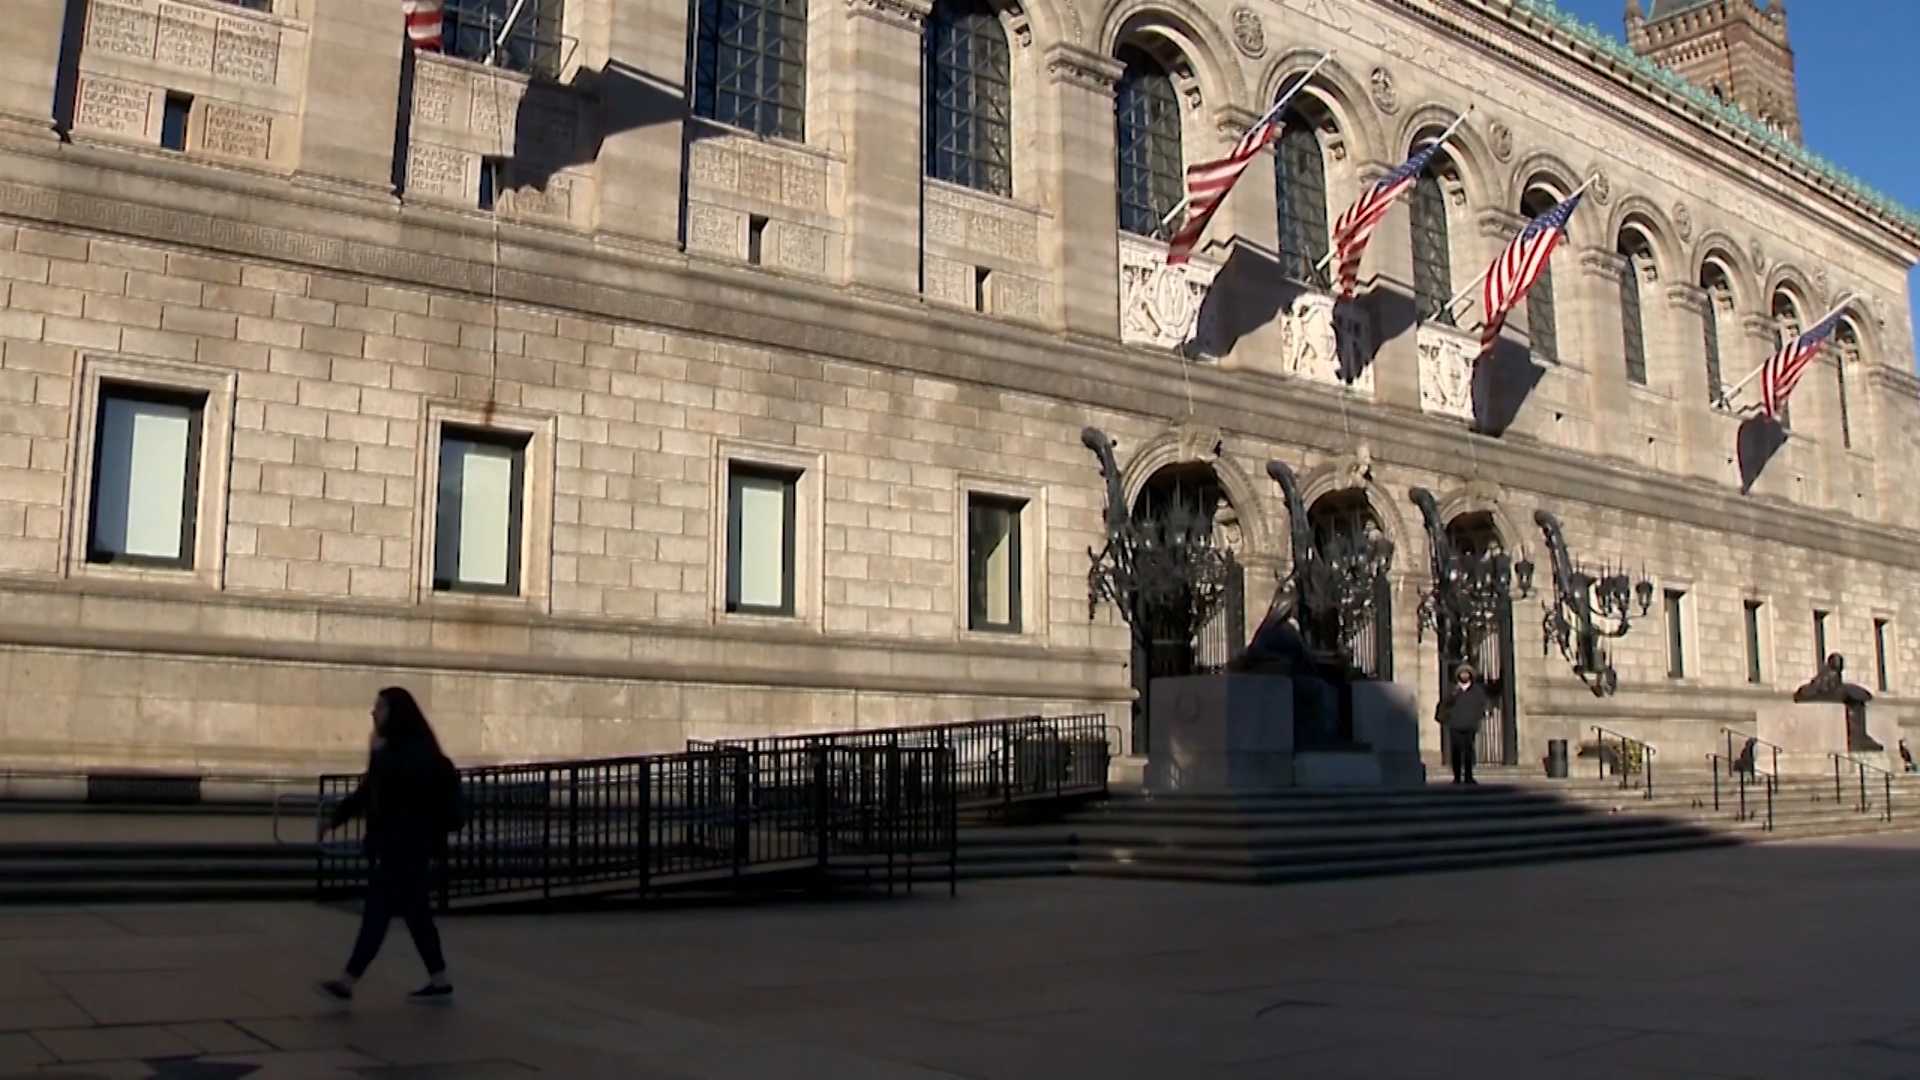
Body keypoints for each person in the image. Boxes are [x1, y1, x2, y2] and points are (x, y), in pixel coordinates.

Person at [318, 687, 460, 1002]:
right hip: (413, 849)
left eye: (379, 708)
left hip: (399, 848)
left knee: (378, 913)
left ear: (395, 713)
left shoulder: (400, 754)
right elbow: (368, 793)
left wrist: (377, 755)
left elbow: (378, 792)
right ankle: (439, 979)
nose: (373, 713)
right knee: (416, 914)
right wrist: (336, 818)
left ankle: (348, 979)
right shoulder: (421, 752)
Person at [1438, 662, 1494, 785]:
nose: (1464, 675)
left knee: (1469, 751)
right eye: (1462, 673)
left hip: (1470, 724)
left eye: (1466, 673)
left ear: (1470, 675)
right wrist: (1453, 695)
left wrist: (1481, 715)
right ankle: (1457, 776)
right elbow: (1444, 704)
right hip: (1455, 724)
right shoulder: (1452, 689)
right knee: (1456, 751)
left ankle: (1469, 776)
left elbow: (1483, 704)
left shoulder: (1477, 690)